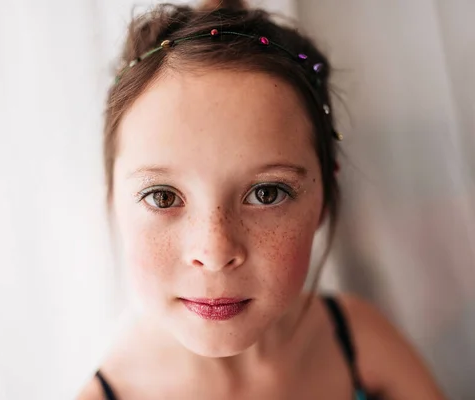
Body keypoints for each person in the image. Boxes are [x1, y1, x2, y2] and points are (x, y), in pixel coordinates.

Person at [79, 0, 445, 398]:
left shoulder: (358, 343)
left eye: (266, 193)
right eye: (162, 197)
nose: (215, 251)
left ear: (324, 198)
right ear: (112, 202)